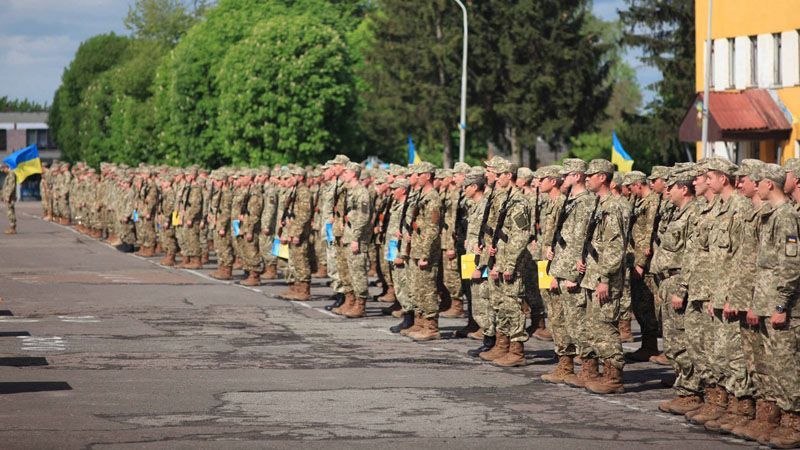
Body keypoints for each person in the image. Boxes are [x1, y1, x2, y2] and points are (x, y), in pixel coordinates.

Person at [2, 165, 17, 234]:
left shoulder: (11, 174)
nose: (3, 170)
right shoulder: (9, 174)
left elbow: (11, 186)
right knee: (10, 211)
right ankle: (12, 227)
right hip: (9, 196)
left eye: (3, 168)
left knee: (10, 212)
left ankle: (12, 228)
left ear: (7, 167)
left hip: (10, 197)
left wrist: (8, 196)